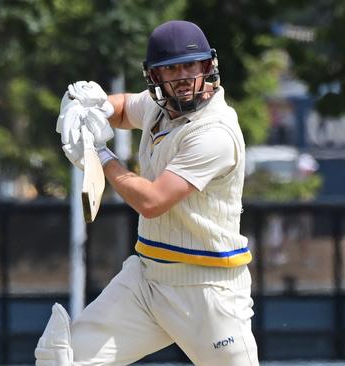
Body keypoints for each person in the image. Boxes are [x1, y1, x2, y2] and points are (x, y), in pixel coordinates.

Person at [35, 20, 259, 366]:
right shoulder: (160, 107)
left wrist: (101, 154)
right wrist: (93, 109)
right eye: (171, 69)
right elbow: (125, 108)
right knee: (65, 360)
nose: (183, 77)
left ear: (207, 66)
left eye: (190, 65)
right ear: (155, 77)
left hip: (207, 291)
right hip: (147, 281)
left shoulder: (215, 133)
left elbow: (152, 202)